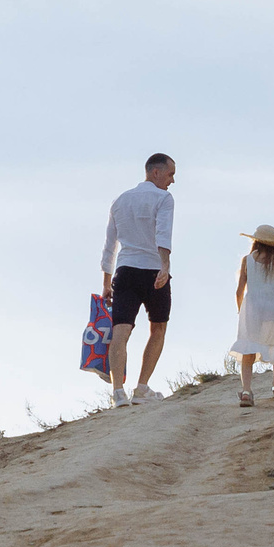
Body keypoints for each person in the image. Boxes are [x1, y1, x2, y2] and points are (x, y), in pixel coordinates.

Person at [100, 153, 178, 406]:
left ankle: (118, 392)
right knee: (158, 327)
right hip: (153, 269)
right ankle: (142, 387)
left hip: (125, 270)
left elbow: (110, 245)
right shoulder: (164, 198)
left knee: (121, 331)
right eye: (170, 174)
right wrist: (164, 267)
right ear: (155, 172)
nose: (172, 180)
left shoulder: (120, 200)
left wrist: (106, 281)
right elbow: (163, 234)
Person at [230, 225, 274, 405]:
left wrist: (240, 309)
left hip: (253, 307)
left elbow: (240, 289)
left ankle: (246, 391)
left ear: (256, 241)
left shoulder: (247, 260)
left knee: (248, 348)